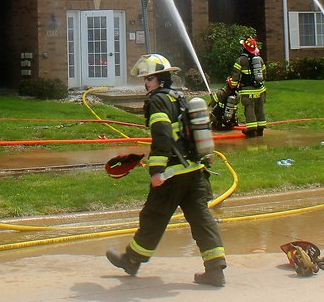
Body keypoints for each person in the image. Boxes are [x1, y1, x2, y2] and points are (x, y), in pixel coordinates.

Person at [106, 54, 227, 287]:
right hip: (196, 171)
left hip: (173, 174)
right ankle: (215, 270)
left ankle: (131, 260)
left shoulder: (157, 101)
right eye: (145, 78)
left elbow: (162, 135)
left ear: (161, 79)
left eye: (149, 78)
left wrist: (157, 171)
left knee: (153, 217)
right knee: (202, 219)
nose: (145, 83)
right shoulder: (179, 97)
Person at [210, 37, 267, 137]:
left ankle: (251, 129)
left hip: (248, 91)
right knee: (260, 108)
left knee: (249, 109)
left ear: (244, 47)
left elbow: (235, 76)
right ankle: (260, 129)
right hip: (260, 90)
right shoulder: (260, 60)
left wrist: (233, 85)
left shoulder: (240, 60)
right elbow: (264, 74)